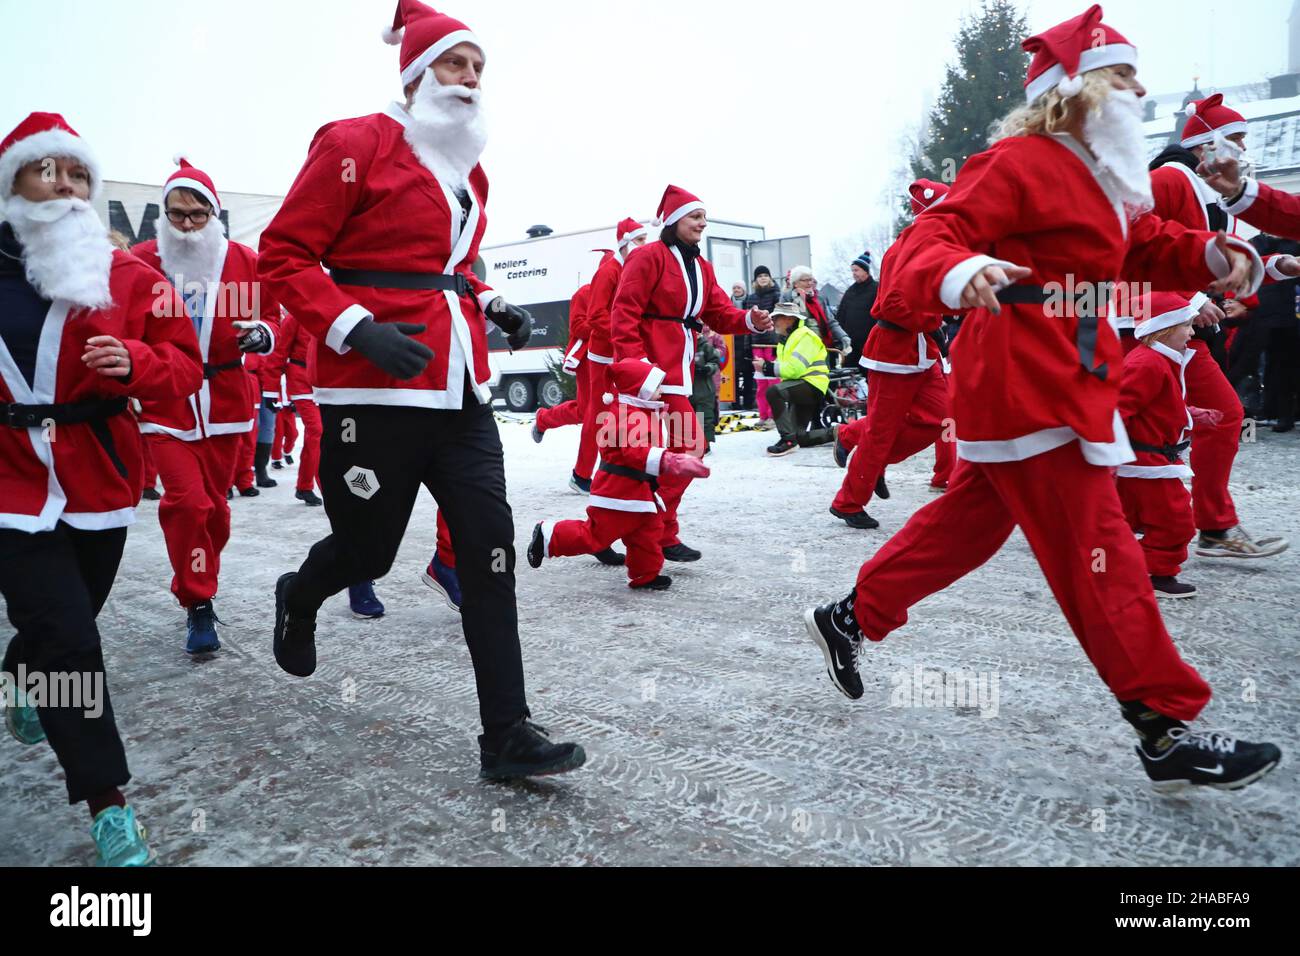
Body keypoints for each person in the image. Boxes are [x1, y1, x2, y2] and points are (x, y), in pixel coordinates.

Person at [802, 6, 1280, 791]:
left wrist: (1209, 253)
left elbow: (1146, 244)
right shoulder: (1021, 160)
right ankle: (1164, 725)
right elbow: (934, 234)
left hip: (1070, 372)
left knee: (967, 528)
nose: (1140, 89)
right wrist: (959, 273)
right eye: (1125, 76)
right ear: (1082, 89)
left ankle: (850, 615)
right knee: (1100, 549)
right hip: (1027, 379)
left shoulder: (1105, 181)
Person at [258, 0, 584, 780]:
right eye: (454, 63)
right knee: (367, 548)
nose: (470, 79)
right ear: (415, 72)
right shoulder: (353, 143)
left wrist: (491, 300)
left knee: (489, 549)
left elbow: (451, 265)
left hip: (460, 394)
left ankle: (506, 734)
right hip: (373, 392)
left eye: (478, 67)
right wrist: (353, 327)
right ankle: (300, 594)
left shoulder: (470, 171)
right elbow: (285, 255)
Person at [0, 112, 202, 864]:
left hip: (99, 481)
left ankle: (20, 674)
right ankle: (108, 804)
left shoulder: (130, 278)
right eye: (45, 169)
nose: (65, 184)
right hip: (9, 486)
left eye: (78, 173)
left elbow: (185, 369)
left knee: (60, 629)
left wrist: (138, 366)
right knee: (72, 643)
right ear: (12, 182)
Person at [131, 156, 280, 654]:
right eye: (177, 214)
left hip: (226, 401)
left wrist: (261, 334)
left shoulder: (243, 260)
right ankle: (198, 600)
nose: (188, 224)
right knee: (187, 503)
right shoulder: (143, 261)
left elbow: (275, 318)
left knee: (215, 509)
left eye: (198, 214)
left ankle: (198, 578)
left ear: (214, 214)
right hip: (165, 403)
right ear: (164, 214)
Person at [1146, 94, 1288, 558]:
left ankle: (1200, 525)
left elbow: (1217, 266)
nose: (1244, 151)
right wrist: (1187, 299)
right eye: (1238, 140)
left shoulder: (1213, 194)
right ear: (1207, 144)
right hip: (1154, 329)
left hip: (1181, 328)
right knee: (1202, 419)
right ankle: (1193, 527)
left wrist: (1279, 265)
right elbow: (1134, 247)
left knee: (1207, 419)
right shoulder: (1168, 179)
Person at [610, 184, 774, 562]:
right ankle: (625, 528)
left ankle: (658, 530)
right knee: (639, 456)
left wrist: (751, 319)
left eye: (704, 217)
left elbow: (718, 313)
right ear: (673, 221)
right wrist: (636, 367)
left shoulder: (702, 266)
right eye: (695, 216)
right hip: (649, 374)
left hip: (678, 370)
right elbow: (625, 313)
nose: (702, 223)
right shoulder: (647, 257)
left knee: (689, 449)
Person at [830, 181, 954, 529]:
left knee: (939, 418)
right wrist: (936, 318)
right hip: (894, 353)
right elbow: (893, 304)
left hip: (921, 351)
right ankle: (849, 501)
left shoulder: (932, 244)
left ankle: (852, 436)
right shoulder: (908, 247)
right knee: (881, 434)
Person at [528, 360, 710, 591]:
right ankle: (548, 536)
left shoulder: (642, 412)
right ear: (638, 390)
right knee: (595, 536)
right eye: (656, 387)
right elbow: (635, 453)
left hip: (638, 490)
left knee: (647, 532)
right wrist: (670, 461)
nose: (661, 392)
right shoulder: (628, 415)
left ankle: (645, 574)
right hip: (617, 491)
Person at [1117, 293, 1215, 599]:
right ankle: (1154, 574)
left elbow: (1157, 406)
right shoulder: (1148, 363)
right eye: (1186, 325)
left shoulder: (1160, 360)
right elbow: (1118, 408)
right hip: (1146, 461)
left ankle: (1119, 566)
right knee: (1176, 522)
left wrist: (1192, 414)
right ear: (1164, 328)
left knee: (1127, 519)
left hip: (1146, 459)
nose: (1192, 331)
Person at [577, 220, 648, 493]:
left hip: (623, 353)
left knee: (622, 413)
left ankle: (618, 470)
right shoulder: (609, 271)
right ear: (626, 242)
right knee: (598, 414)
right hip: (604, 355)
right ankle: (582, 475)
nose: (644, 246)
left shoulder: (632, 269)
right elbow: (595, 316)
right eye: (640, 240)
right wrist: (623, 336)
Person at [260, 309, 323, 507]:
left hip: (324, 382)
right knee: (316, 431)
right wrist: (270, 390)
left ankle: (311, 486)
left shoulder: (329, 313)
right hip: (301, 380)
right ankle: (310, 486)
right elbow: (279, 352)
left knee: (323, 436)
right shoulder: (294, 318)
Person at [754, 299, 833, 456]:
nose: (774, 321)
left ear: (789, 319)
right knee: (800, 437)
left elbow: (795, 369)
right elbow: (789, 370)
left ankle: (787, 440)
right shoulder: (788, 339)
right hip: (804, 386)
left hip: (811, 385)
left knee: (773, 392)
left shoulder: (804, 336)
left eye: (777, 318)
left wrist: (766, 367)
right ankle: (839, 433)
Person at [789, 266, 852, 362]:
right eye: (805, 280)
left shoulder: (819, 299)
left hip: (822, 346)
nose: (810, 283)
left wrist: (843, 336)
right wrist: (800, 298)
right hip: (799, 349)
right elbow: (794, 321)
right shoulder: (788, 298)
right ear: (795, 283)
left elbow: (830, 322)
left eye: (811, 279)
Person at [835, 251, 878, 364]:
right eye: (852, 270)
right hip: (851, 344)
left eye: (856, 270)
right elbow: (841, 315)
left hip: (870, 342)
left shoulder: (877, 289)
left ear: (866, 271)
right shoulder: (850, 291)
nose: (854, 273)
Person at [690, 326, 727, 450]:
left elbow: (716, 361)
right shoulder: (684, 345)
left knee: (704, 416)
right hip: (689, 387)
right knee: (689, 416)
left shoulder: (705, 346)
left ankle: (705, 443)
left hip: (704, 387)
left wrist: (708, 368)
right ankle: (689, 442)